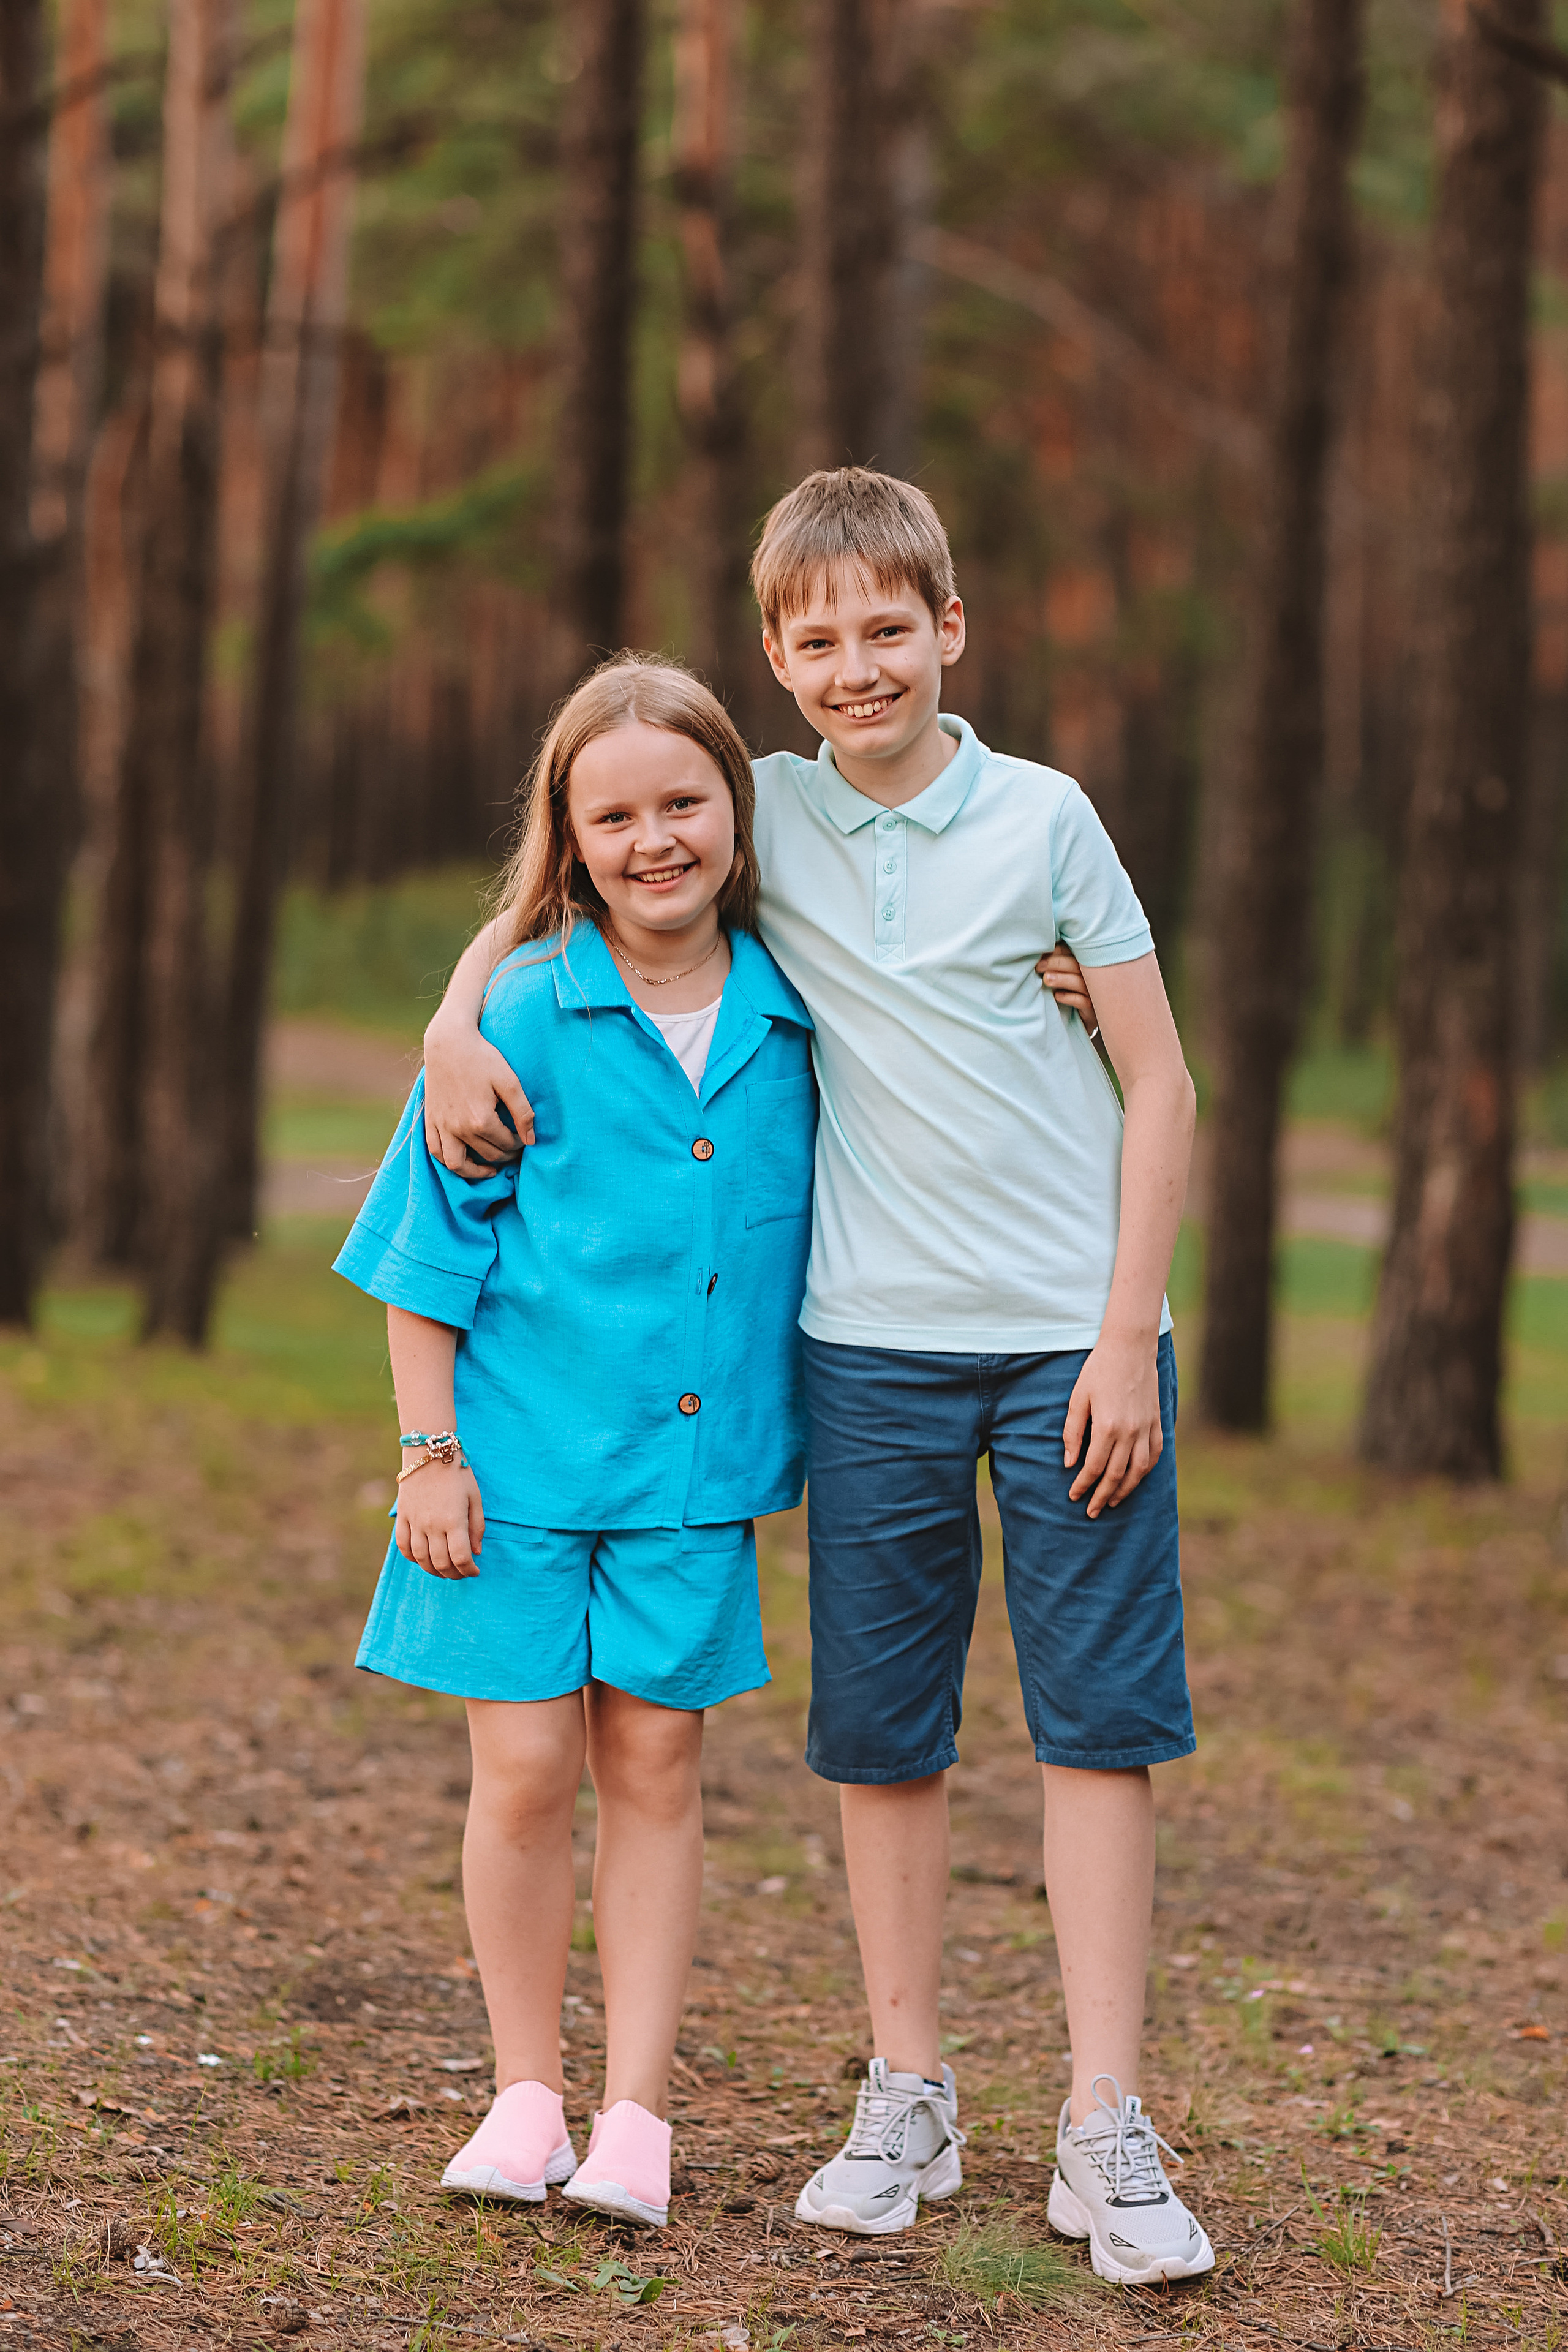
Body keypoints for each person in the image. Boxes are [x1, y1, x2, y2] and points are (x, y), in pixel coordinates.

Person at [421, 469, 1208, 2285]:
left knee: (1095, 1723)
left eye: (886, 629)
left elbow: (1160, 1078)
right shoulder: (757, 814)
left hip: (1071, 1344)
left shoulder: (1048, 818)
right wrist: (462, 1015)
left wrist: (1124, 1334)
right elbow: (580, 860)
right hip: (866, 1352)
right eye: (816, 639)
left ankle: (1103, 2118)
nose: (856, 666)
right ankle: (907, 2091)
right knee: (883, 1735)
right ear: (775, 660)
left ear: (951, 628)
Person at [334, 655, 820, 2230]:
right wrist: (426, 1456)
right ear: (570, 831)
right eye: (613, 814)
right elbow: (427, 1255)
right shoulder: (522, 1015)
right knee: (528, 1763)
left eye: (683, 801)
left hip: (689, 1482)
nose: (653, 838)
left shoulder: (796, 1009)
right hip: (518, 1465)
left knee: (658, 1766)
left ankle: (635, 2118)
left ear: (735, 813)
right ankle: (526, 2092)